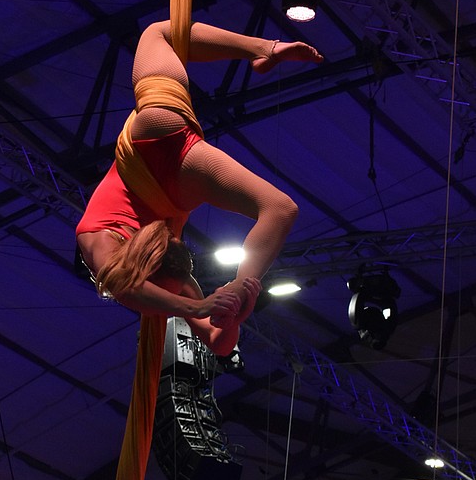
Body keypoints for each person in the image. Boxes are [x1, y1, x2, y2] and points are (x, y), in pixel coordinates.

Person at [76, 20, 323, 354]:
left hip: (171, 164)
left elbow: (124, 285)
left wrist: (201, 306)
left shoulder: (100, 240)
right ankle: (263, 49)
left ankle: (265, 50)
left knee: (280, 209)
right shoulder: (162, 275)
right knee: (157, 34)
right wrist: (240, 300)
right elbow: (219, 344)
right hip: (159, 145)